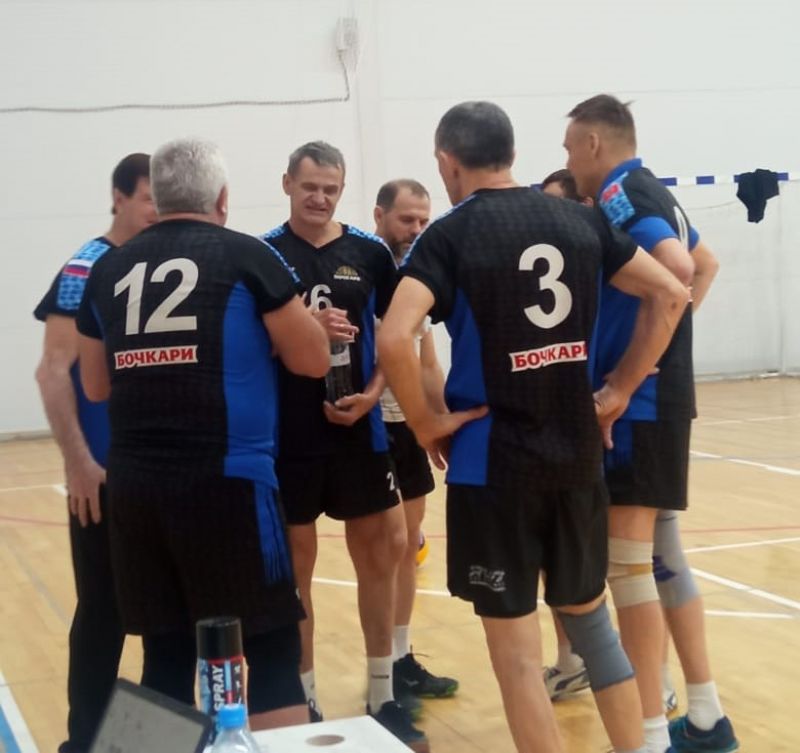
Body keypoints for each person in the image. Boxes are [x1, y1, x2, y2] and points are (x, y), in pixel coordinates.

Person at [378, 100, 690, 753]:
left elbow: (394, 336)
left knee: (518, 656)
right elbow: (671, 291)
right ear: (513, 153)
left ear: (447, 163)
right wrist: (619, 388)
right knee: (593, 626)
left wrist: (427, 422)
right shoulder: (582, 218)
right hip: (577, 457)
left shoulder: (450, 235)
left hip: (494, 466)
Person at [76, 138, 329, 730]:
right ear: (222, 198)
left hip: (136, 489)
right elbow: (313, 361)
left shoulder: (107, 269)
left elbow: (94, 384)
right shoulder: (247, 255)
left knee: (164, 656)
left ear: (160, 198)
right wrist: (297, 329)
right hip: (229, 485)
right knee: (270, 650)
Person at [563, 94, 735, 753]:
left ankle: (652, 733)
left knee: (630, 567)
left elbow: (682, 270)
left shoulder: (617, 193)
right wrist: (669, 340)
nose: (568, 161)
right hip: (661, 401)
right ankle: (705, 717)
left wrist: (627, 378)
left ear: (593, 144)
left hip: (638, 407)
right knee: (661, 557)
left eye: (570, 147)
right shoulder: (653, 188)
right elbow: (705, 264)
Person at [261, 143, 427, 751]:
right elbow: (253, 343)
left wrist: (374, 394)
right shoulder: (263, 254)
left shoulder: (370, 252)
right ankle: (304, 696)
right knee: (296, 572)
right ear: (287, 183)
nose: (320, 197)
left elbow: (396, 337)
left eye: (331, 188)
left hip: (359, 431)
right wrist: (304, 331)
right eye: (309, 186)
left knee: (380, 559)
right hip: (290, 437)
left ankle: (382, 694)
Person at [34, 153, 155, 753]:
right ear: (119, 197)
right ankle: (84, 743)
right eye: (148, 198)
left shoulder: (161, 262)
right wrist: (79, 462)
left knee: (166, 618)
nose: (156, 210)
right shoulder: (85, 268)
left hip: (159, 473)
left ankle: (153, 740)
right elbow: (53, 369)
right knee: (103, 615)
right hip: (103, 475)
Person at [374, 179, 459, 704]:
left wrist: (440, 421)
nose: (417, 229)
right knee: (386, 546)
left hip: (408, 427)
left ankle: (400, 658)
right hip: (368, 428)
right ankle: (378, 667)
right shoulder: (364, 269)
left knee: (407, 543)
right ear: (380, 216)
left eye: (424, 220)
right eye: (407, 219)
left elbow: (427, 362)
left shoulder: (418, 279)